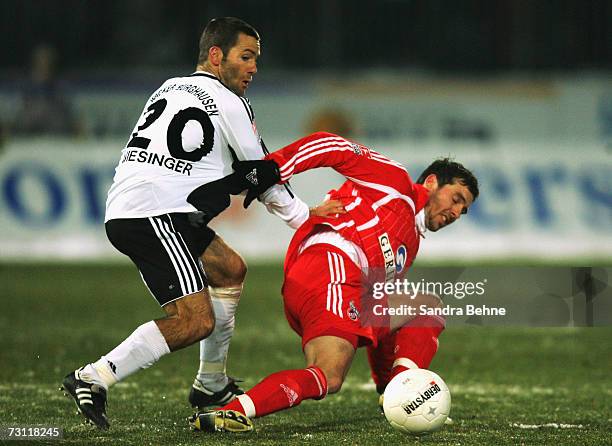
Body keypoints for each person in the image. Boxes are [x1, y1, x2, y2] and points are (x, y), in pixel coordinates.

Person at [60, 17, 341, 430]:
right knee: (195, 319)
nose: (253, 68)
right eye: (245, 57)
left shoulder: (170, 87)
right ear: (215, 55)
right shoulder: (228, 101)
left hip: (148, 207)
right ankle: (94, 376)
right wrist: (305, 218)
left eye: (256, 59)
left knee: (230, 269)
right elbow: (262, 172)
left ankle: (211, 383)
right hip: (155, 213)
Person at [188, 131, 479, 432]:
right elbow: (335, 146)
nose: (457, 212)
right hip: (331, 268)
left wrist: (388, 390)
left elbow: (382, 316)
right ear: (431, 182)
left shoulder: (410, 240)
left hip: (340, 286)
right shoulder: (396, 183)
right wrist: (276, 167)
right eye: (456, 199)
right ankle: (231, 411)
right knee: (328, 374)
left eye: (464, 209)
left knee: (424, 307)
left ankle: (398, 390)